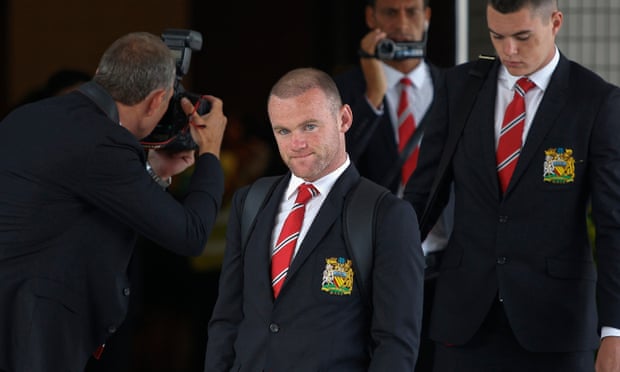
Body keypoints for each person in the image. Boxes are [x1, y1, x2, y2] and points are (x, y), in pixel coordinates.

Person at [404, 0, 620, 370]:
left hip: (557, 326)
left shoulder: (596, 101)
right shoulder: (459, 87)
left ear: (555, 23)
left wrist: (614, 331)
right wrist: (380, 277)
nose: (509, 51)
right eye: (497, 37)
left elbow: (614, 224)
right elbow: (423, 197)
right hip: (464, 321)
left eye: (522, 37)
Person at [0, 31, 227, 372]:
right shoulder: (103, 142)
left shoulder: (30, 116)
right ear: (155, 101)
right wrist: (210, 152)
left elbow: (72, 204)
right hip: (34, 335)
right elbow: (191, 234)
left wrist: (152, 172)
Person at [204, 67, 425, 371]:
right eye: (283, 130)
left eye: (309, 126)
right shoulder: (250, 202)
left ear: (343, 119)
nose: (296, 143)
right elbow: (227, 319)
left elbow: (395, 345)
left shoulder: (387, 216)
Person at [333, 0, 450, 369]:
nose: (402, 23)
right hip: (372, 270)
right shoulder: (344, 91)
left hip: (445, 271)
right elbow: (328, 171)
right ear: (370, 17)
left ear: (428, 16)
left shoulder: (455, 87)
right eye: (390, 12)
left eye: (412, 11)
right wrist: (373, 93)